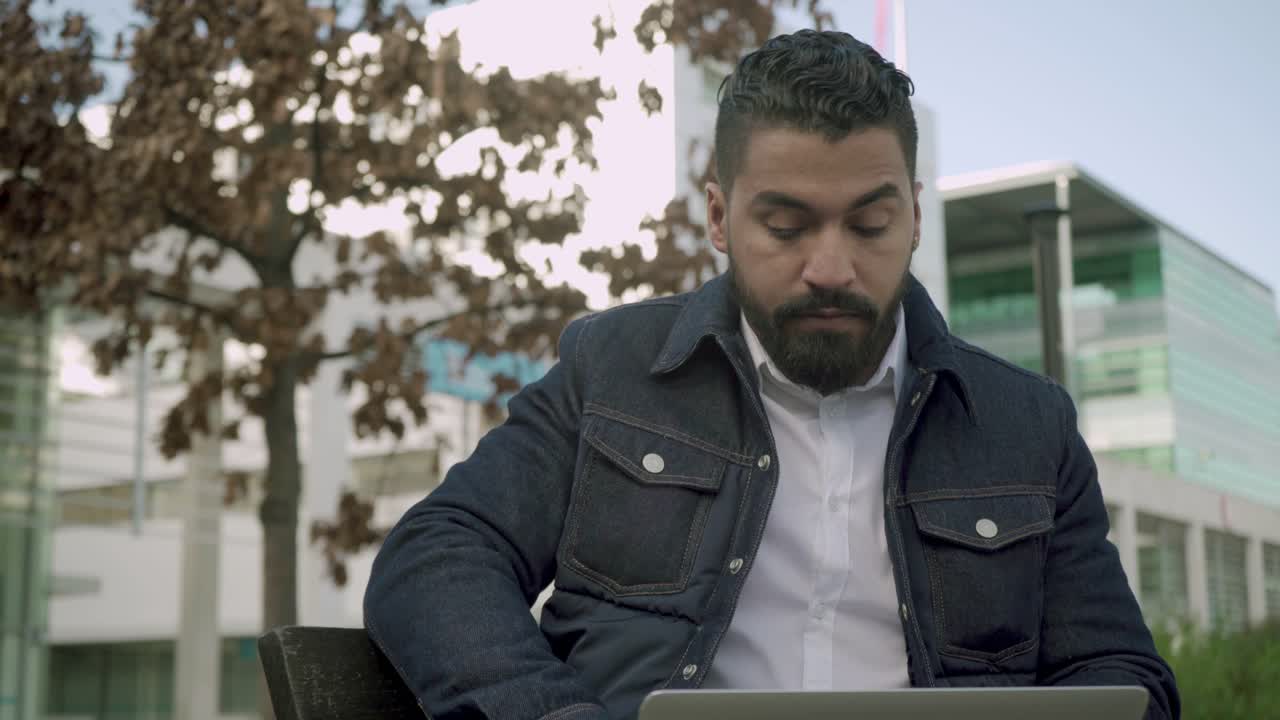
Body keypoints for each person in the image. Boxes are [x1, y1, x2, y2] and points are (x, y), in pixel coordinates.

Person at [364, 29, 1179, 720]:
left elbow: (1120, 674)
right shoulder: (611, 369)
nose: (831, 267)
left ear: (917, 216)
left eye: (871, 223)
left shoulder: (1028, 426)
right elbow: (439, 555)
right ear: (718, 216)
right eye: (786, 225)